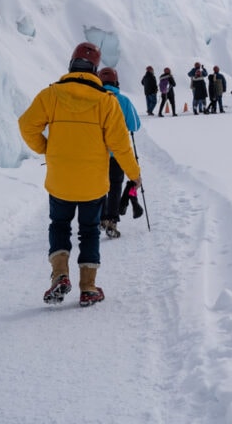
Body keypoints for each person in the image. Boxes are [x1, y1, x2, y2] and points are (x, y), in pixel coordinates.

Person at [18, 42, 141, 307]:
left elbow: (26, 125)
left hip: (60, 179)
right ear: (95, 69)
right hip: (93, 183)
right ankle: (88, 287)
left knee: (59, 225)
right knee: (89, 231)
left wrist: (46, 148)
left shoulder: (50, 96)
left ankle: (60, 275)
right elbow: (120, 145)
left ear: (72, 64)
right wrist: (134, 174)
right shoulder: (106, 102)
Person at [97, 67, 141, 239]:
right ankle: (112, 221)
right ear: (116, 82)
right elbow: (135, 125)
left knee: (100, 186)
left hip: (98, 154)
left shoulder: (96, 99)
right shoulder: (123, 100)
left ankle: (100, 218)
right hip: (118, 154)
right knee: (115, 186)